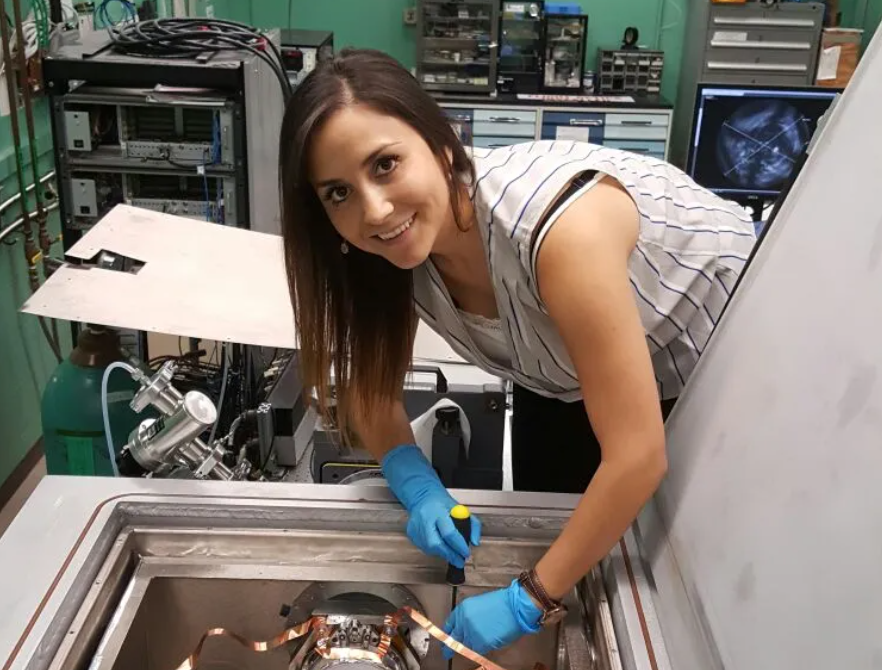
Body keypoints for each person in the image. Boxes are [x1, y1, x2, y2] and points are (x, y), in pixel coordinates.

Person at [277, 48, 756, 657]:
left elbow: (636, 455)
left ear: (444, 146)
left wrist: (527, 597)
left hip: (721, 356)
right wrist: (415, 482)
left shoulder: (558, 232)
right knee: (558, 538)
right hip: (559, 372)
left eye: (387, 164)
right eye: (338, 192)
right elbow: (372, 386)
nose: (374, 210)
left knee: (672, 583)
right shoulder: (383, 252)